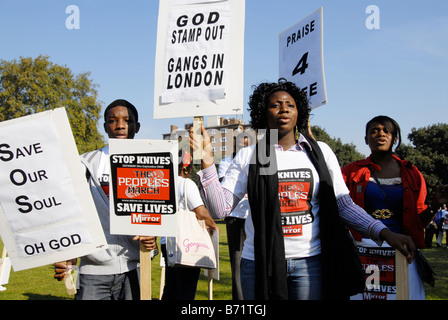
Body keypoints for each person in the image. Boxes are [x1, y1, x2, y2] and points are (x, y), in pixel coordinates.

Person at [190, 79, 415, 300]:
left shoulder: (319, 153)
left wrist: (385, 233)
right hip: (259, 262)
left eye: (290, 104)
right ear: (263, 112)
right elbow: (220, 209)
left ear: (299, 111)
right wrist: (207, 162)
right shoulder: (254, 154)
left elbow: (343, 205)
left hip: (310, 264)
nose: (283, 109)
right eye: (275, 105)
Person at [54, 99, 157, 300]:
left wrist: (153, 236)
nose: (120, 125)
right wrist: (67, 252)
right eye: (112, 120)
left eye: (127, 120)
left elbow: (159, 213)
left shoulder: (153, 163)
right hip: (92, 273)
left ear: (137, 126)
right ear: (104, 127)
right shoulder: (84, 163)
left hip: (135, 268)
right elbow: (69, 211)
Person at [342, 115, 448, 299]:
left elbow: (419, 221)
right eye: (374, 131)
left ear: (395, 139)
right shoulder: (351, 171)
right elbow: (342, 209)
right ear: (366, 139)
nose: (380, 134)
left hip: (402, 251)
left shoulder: (412, 173)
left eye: (386, 131)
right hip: (361, 251)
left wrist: (435, 205)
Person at [160, 149, 218, 300]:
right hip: (185, 242)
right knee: (186, 290)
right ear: (186, 168)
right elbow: (201, 212)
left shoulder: (164, 183)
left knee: (171, 288)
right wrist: (213, 226)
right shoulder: (186, 183)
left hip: (167, 241)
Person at [218, 132, 254, 300]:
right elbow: (226, 183)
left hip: (253, 215)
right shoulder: (226, 162)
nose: (244, 147)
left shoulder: (255, 158)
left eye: (247, 144)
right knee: (238, 261)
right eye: (241, 144)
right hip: (235, 217)